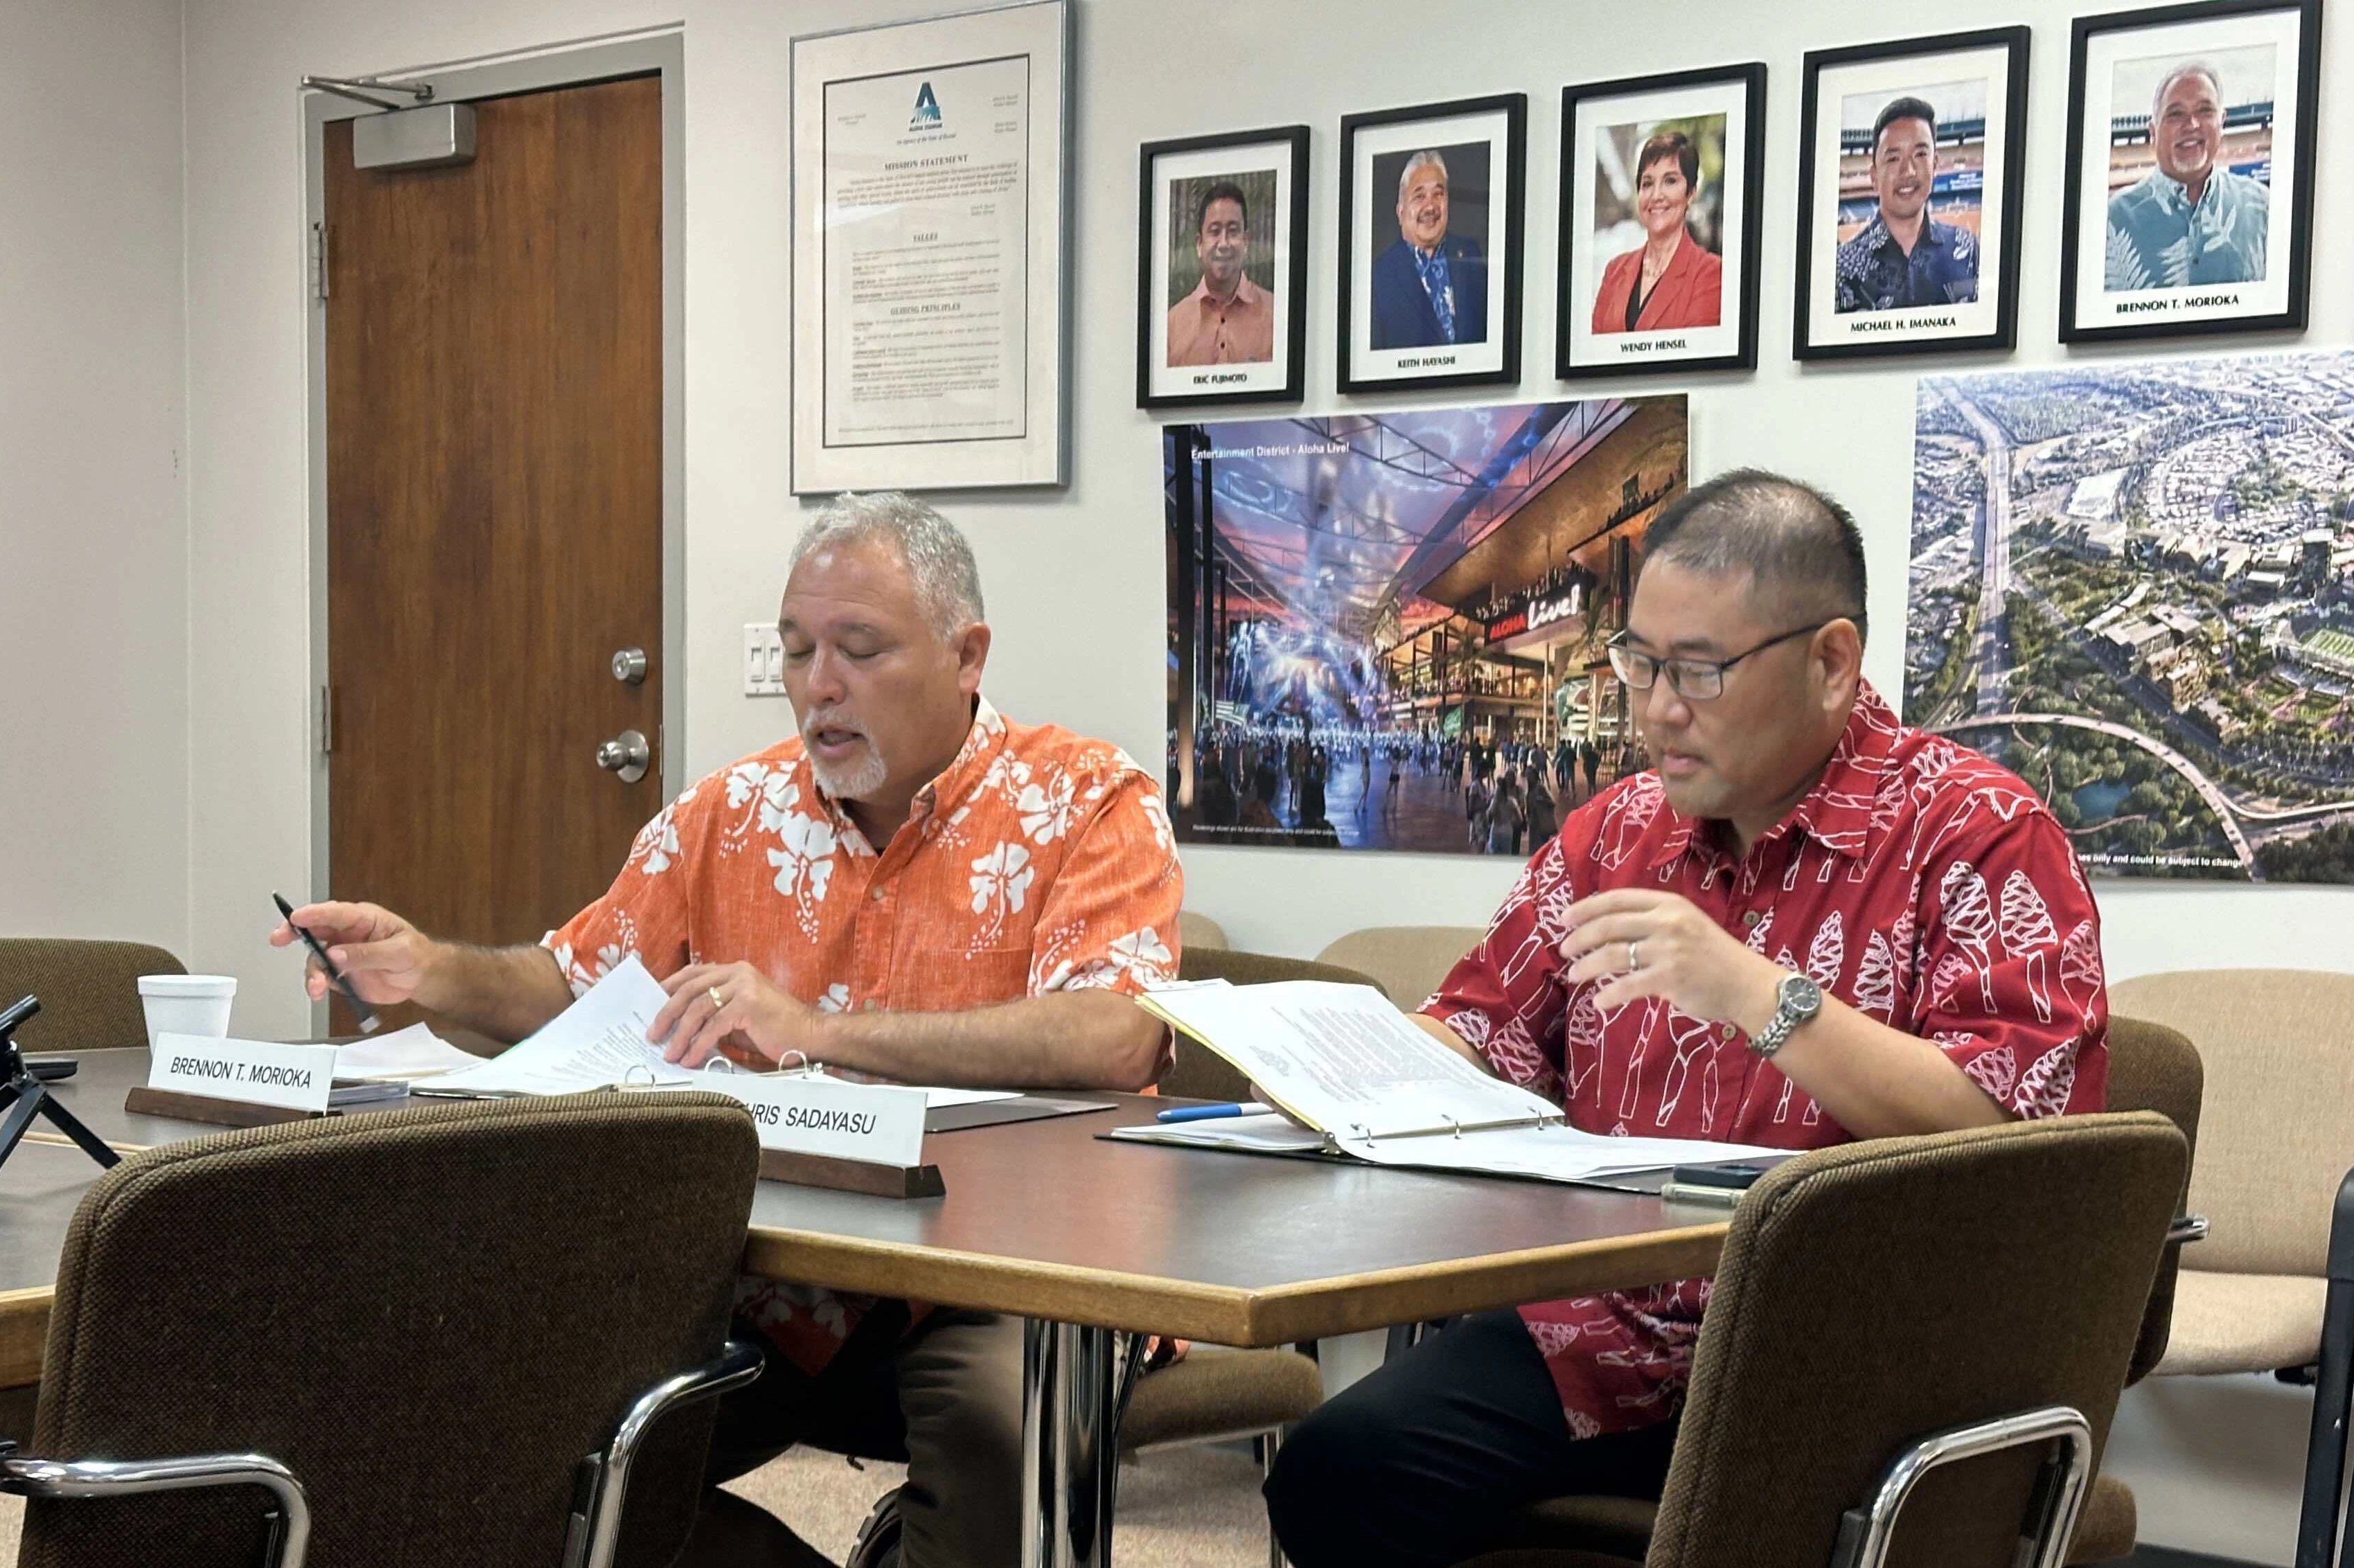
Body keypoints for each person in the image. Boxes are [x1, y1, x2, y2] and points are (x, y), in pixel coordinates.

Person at [272, 492, 1182, 1568]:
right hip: (777, 1264)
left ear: (966, 654)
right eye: (796, 651)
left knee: (1000, 1438)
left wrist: (820, 1031)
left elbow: (1114, 1035)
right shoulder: (732, 813)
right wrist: (428, 967)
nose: (819, 688)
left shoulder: (1084, 800)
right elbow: (571, 984)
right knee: (520, 1443)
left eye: (859, 650)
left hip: (1004, 1273)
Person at [1263, 471, 2107, 1568]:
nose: (1657, 706)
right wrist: (1322, 1066)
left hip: (1849, 1357)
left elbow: (2012, 1135)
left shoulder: (1977, 833)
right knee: (1341, 1472)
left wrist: (1759, 993)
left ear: (1830, 661)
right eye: (1638, 663)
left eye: (1699, 670)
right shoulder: (1616, 832)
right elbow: (1478, 1029)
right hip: (1608, 1332)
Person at [2105, 60, 2269, 290]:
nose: (2192, 124)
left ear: (2221, 123)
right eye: (2175, 114)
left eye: (2205, 111)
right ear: (2153, 132)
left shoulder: (2263, 208)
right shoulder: (2113, 219)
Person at [1834, 96, 1981, 312]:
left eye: (1920, 154)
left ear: (1935, 164)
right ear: (1874, 176)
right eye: (1893, 159)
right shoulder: (1842, 266)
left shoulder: (1967, 249)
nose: (1909, 171)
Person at [1590, 129, 1724, 335]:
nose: (1656, 195)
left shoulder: (1711, 274)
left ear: (1691, 193)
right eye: (1648, 183)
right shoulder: (1614, 271)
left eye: (1670, 181)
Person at [1371, 149, 1489, 350]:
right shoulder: (1379, 276)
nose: (1430, 206)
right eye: (1419, 197)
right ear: (1401, 212)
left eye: (1438, 194)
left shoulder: (1470, 255)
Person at [1166, 180, 1277, 366]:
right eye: (1215, 231)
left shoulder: (1275, 315)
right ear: (1199, 244)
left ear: (1246, 241)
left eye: (1233, 231)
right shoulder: (1172, 324)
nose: (1224, 243)